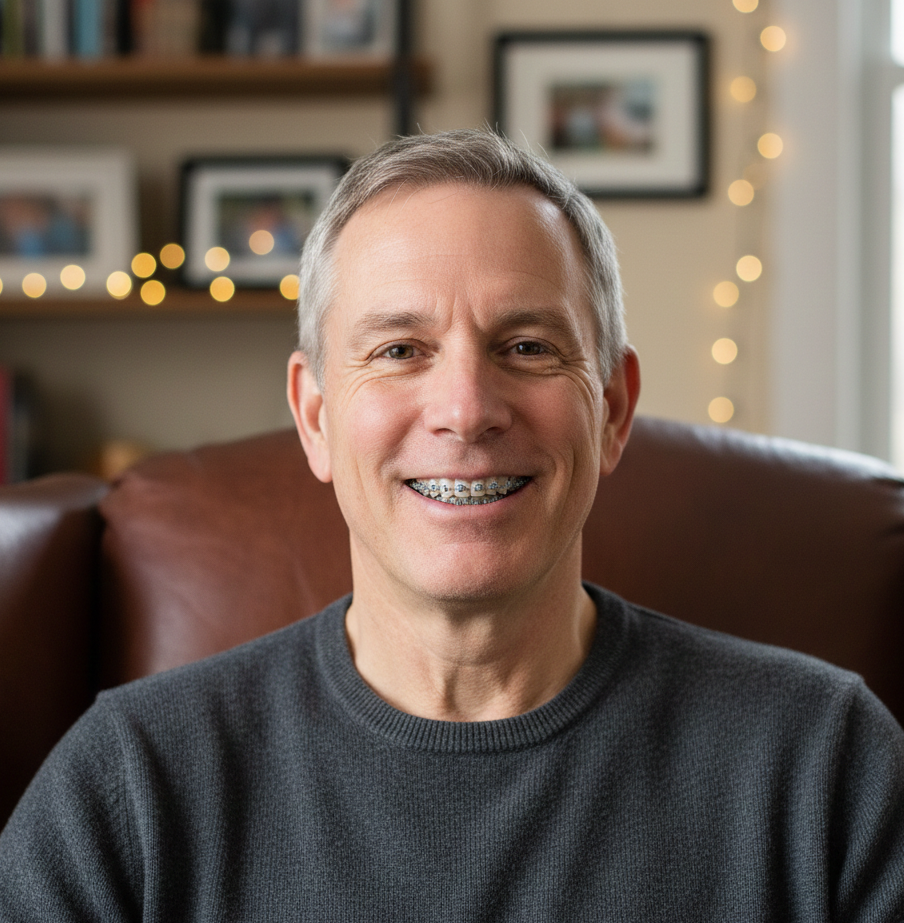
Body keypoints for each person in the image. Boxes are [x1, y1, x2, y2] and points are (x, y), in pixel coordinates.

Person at [1, 129, 903, 920]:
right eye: (400, 350)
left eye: (527, 347)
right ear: (314, 417)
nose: (466, 409)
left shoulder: (827, 766)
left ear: (615, 409)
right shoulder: (132, 784)